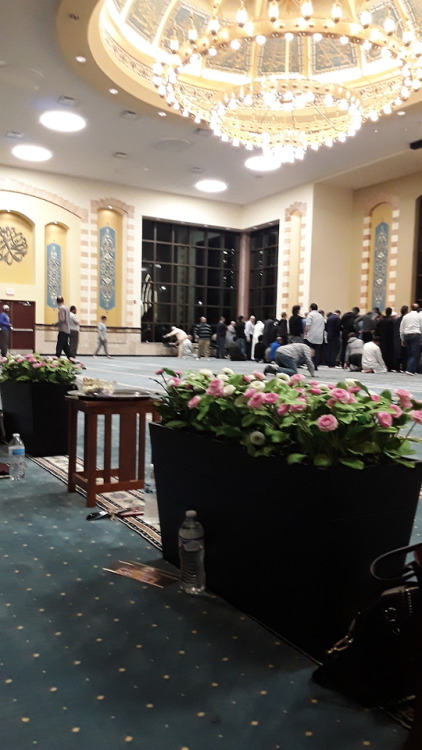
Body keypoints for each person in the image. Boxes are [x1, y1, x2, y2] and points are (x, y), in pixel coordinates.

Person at [400, 303, 422, 375]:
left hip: (406, 335)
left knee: (409, 353)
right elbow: (421, 327)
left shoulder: (406, 316)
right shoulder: (419, 316)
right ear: (418, 309)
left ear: (411, 308)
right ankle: (410, 370)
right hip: (415, 335)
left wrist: (402, 338)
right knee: (414, 353)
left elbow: (401, 328)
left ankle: (411, 369)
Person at [304, 303, 325, 370]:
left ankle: (310, 365)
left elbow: (308, 325)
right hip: (319, 336)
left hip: (311, 335)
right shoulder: (321, 316)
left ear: (310, 308)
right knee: (317, 351)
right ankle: (315, 365)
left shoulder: (310, 315)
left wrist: (305, 332)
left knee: (310, 351)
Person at [376, 307, 395, 371]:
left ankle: (383, 365)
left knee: (383, 353)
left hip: (382, 339)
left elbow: (377, 330)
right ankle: (389, 366)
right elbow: (393, 331)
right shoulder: (392, 320)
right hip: (390, 339)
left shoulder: (381, 320)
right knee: (389, 353)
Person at [394, 305, 408, 373]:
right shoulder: (406, 319)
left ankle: (397, 367)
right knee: (404, 353)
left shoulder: (397, 320)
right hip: (402, 336)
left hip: (396, 337)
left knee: (398, 353)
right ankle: (404, 368)